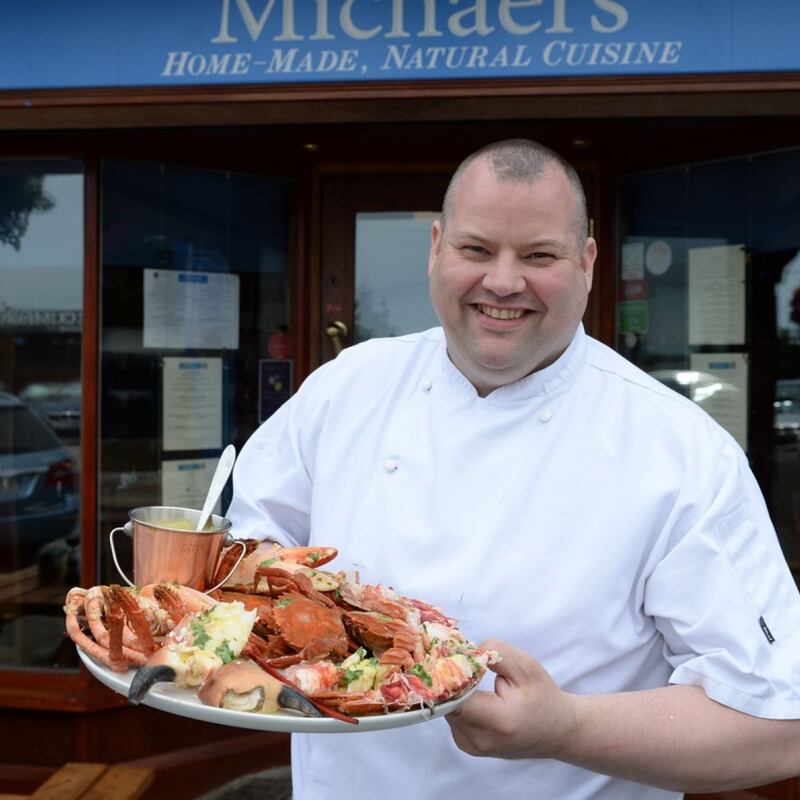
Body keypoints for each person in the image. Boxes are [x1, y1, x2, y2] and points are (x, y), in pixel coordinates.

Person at [227, 139, 800, 799]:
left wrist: (565, 728)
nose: (503, 282)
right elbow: (246, 560)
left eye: (539, 256)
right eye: (476, 249)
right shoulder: (347, 388)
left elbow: (778, 724)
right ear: (436, 248)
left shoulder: (679, 450)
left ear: (587, 263)